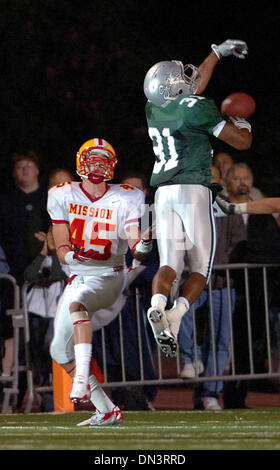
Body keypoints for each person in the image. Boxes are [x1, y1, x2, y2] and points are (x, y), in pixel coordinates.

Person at [143, 39, 252, 358]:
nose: (189, 79)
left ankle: (159, 306)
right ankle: (176, 313)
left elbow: (189, 90)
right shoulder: (197, 108)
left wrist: (216, 54)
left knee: (169, 264)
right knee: (200, 269)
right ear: (175, 86)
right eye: (181, 77)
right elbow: (241, 143)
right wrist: (242, 123)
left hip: (163, 194)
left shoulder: (153, 108)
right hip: (193, 188)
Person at [47, 138, 152, 426]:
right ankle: (106, 409)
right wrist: (74, 257)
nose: (97, 164)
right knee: (58, 349)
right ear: (80, 162)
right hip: (79, 274)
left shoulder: (128, 196)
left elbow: (134, 242)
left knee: (79, 304)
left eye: (102, 159)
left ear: (112, 165)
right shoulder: (61, 194)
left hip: (109, 275)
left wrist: (142, 246)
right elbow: (62, 247)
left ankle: (81, 378)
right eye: (92, 158)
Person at [178, 165, 247, 410]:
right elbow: (178, 241)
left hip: (222, 282)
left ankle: (209, 394)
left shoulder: (228, 207)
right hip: (192, 280)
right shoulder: (184, 206)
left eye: (212, 178)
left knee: (220, 341)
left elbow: (238, 241)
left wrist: (216, 266)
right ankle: (190, 359)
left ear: (219, 182)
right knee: (180, 316)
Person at [92, 171, 159, 410]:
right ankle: (120, 394)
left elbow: (160, 261)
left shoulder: (153, 220)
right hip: (104, 295)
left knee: (134, 350)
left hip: (134, 298)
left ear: (146, 193)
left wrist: (137, 277)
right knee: (104, 349)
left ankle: (141, 394)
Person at [218, 163, 280, 408]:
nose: (242, 182)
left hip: (257, 290)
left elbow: (273, 249)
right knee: (222, 344)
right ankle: (214, 396)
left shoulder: (262, 215)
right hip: (223, 286)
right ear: (228, 180)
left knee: (248, 344)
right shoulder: (218, 209)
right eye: (237, 178)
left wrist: (243, 255)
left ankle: (237, 395)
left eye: (247, 177)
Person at [24, 227, 70, 411]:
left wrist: (53, 249)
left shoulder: (66, 258)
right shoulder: (41, 257)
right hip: (36, 313)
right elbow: (29, 274)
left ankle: (56, 398)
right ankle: (47, 401)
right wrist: (44, 251)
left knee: (51, 351)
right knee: (40, 360)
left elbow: (60, 275)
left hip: (55, 315)